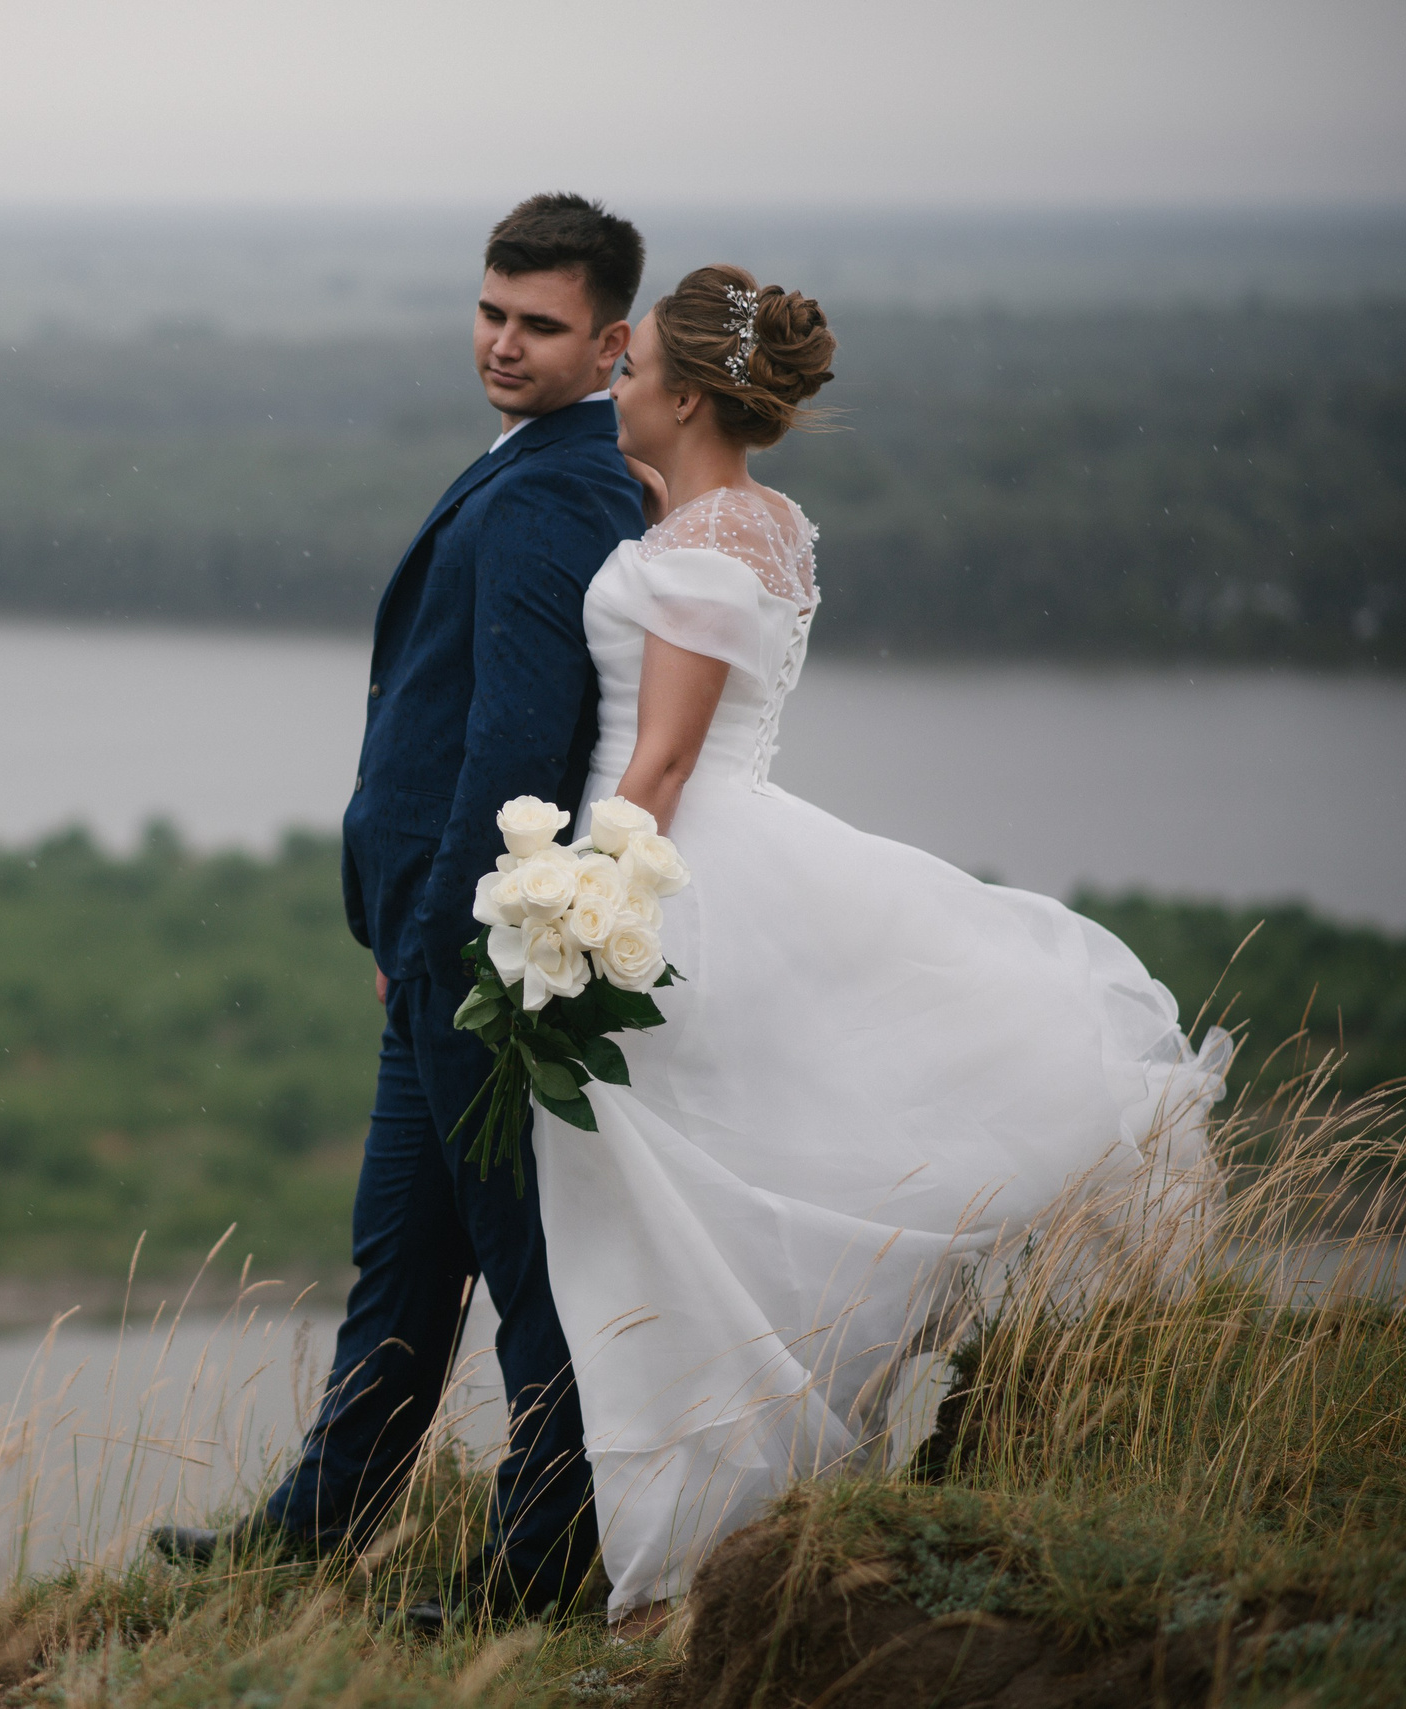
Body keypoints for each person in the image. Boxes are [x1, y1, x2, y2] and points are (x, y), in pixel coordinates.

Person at [537, 265, 1228, 1632]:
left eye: (630, 374)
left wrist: (582, 912)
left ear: (681, 394)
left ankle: (702, 1520)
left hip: (678, 872)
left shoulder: (707, 543)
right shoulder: (755, 518)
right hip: (725, 846)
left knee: (688, 1206)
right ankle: (714, 1502)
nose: (612, 388)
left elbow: (666, 754)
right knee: (719, 1184)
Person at [150, 193, 651, 1624]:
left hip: (471, 953)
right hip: (429, 949)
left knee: (526, 1274)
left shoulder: (565, 485)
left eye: (541, 326)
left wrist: (444, 932)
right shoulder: (536, 458)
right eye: (490, 312)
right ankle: (315, 1531)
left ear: (611, 341)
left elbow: (516, 740)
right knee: (405, 1260)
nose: (503, 343)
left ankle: (539, 1572)